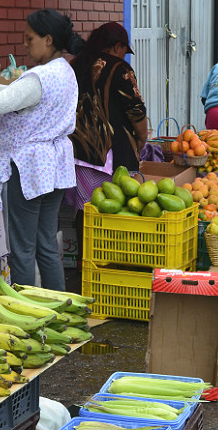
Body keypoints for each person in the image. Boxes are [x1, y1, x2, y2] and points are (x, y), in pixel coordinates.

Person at [0, 8, 83, 291]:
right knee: (46, 244)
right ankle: (58, 311)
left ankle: (27, 314)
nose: (25, 45)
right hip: (54, 167)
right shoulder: (65, 70)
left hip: (29, 169)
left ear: (48, 39)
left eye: (30, 39)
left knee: (22, 249)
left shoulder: (39, 78)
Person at [66, 22, 147, 262]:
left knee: (85, 210)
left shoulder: (76, 64)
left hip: (78, 151)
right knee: (116, 208)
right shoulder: (120, 68)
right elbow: (135, 110)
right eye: (124, 49)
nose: (124, 54)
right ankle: (113, 263)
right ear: (118, 46)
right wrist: (142, 137)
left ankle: (86, 263)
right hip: (109, 155)